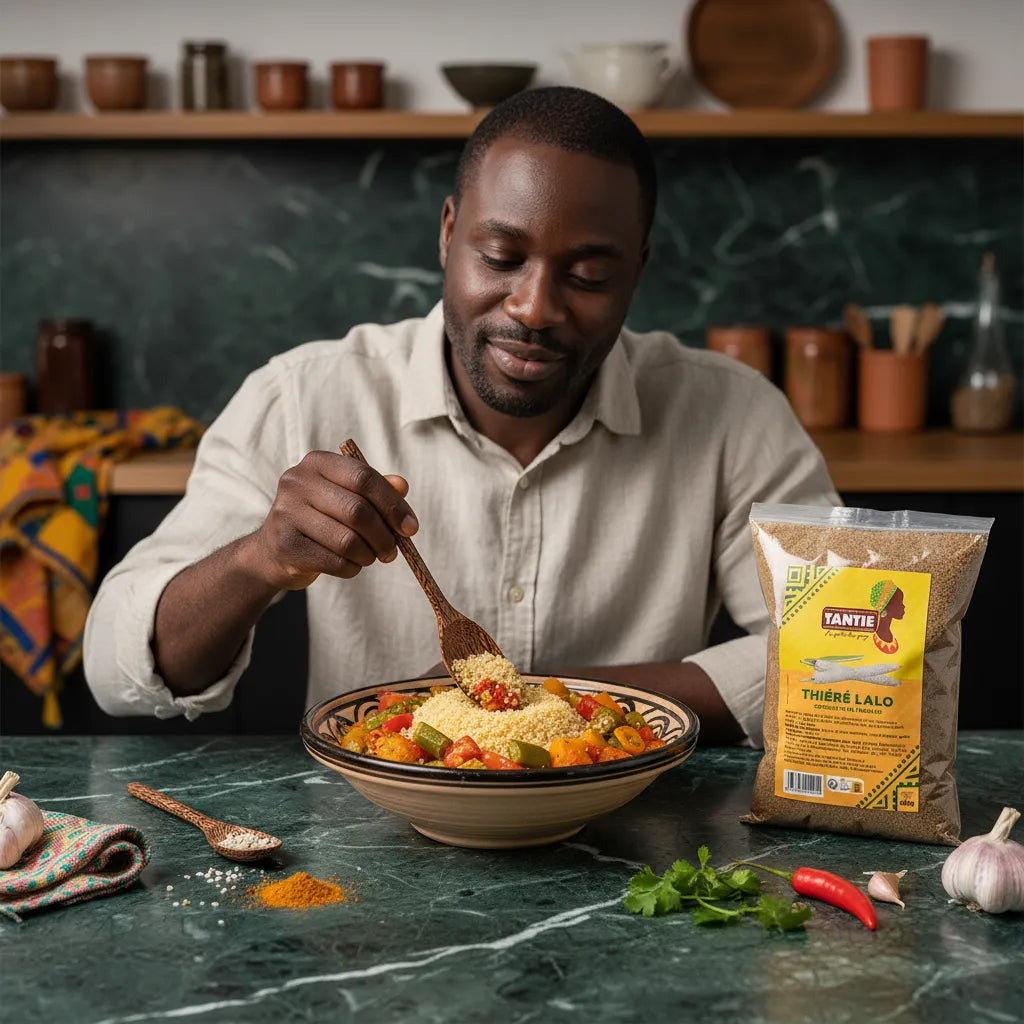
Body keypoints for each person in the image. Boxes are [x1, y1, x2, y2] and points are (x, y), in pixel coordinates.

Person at [83, 87, 839, 745]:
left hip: (636, 844)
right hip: (368, 855)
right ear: (449, 234)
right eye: (502, 258)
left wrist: (544, 699)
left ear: (637, 269)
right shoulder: (303, 394)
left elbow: (837, 654)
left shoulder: (734, 414)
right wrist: (259, 560)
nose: (535, 307)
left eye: (589, 275)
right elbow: (119, 670)